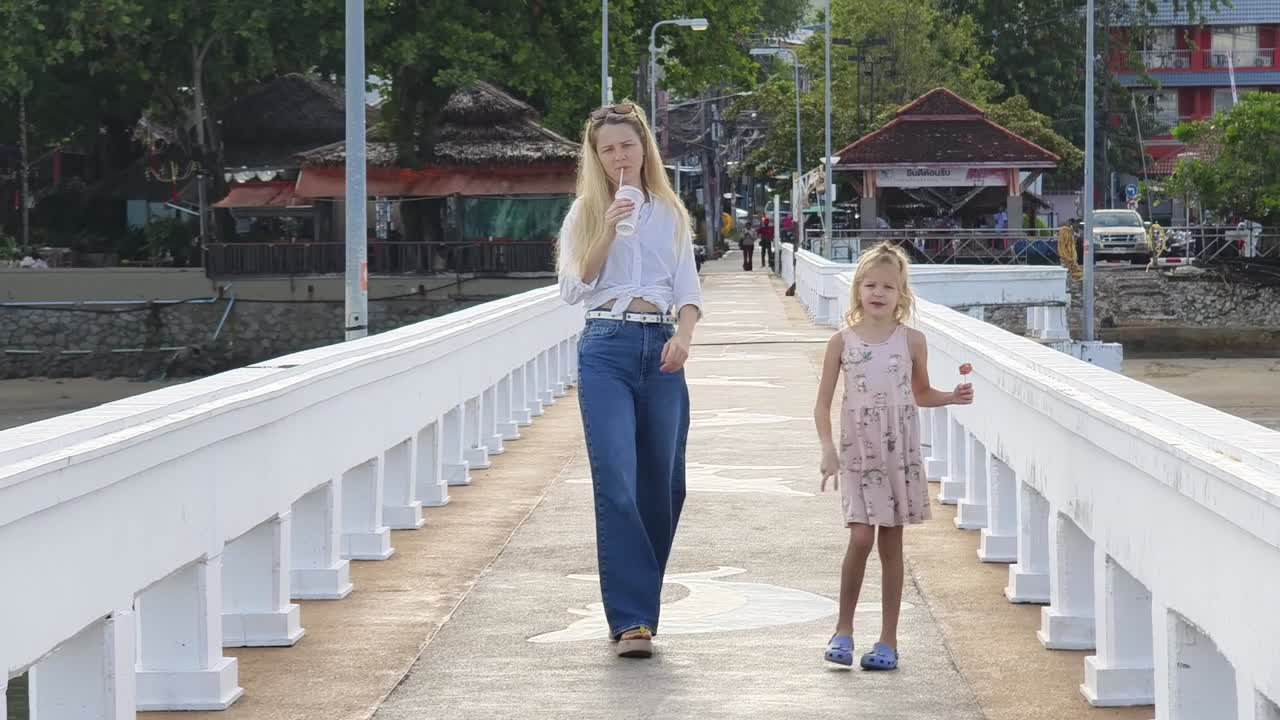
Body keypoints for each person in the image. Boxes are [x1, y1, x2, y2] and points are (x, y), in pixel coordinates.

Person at [556, 100, 703, 660]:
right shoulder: (585, 213)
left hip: (661, 346)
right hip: (606, 349)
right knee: (616, 480)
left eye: (628, 145)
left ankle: (640, 598)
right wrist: (609, 230)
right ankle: (633, 620)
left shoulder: (670, 212)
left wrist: (682, 339)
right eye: (607, 148)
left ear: (645, 149)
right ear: (596, 157)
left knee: (664, 487)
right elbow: (574, 286)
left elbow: (688, 291)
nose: (620, 155)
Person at [812, 242, 974, 670]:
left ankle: (888, 640)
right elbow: (822, 402)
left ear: (901, 293)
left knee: (890, 544)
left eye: (888, 286)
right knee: (860, 536)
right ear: (857, 290)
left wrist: (952, 398)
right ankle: (843, 629)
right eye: (870, 284)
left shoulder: (913, 340)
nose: (878, 292)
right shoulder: (841, 342)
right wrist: (828, 449)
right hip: (857, 450)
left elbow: (920, 393)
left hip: (897, 452)